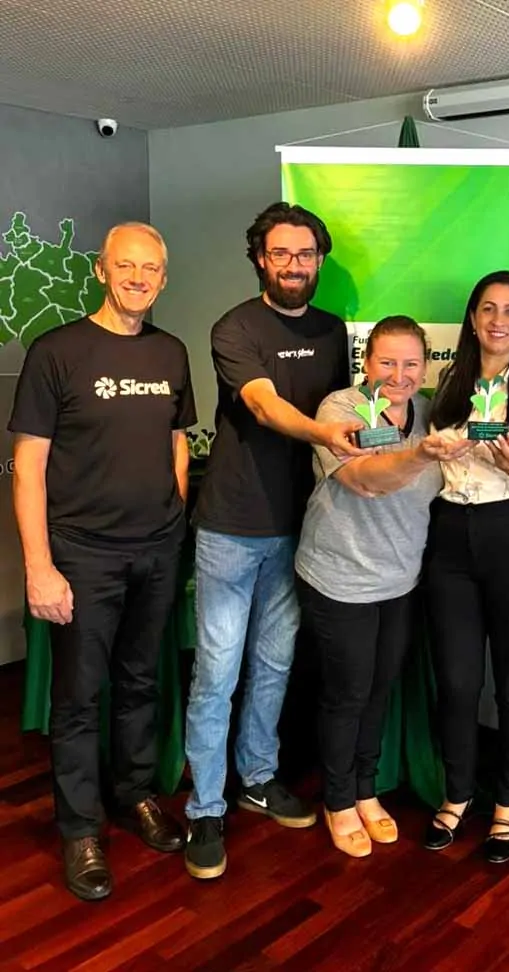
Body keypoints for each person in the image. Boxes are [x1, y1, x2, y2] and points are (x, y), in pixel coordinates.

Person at [9, 222, 195, 901]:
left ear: (163, 278)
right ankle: (80, 829)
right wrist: (39, 566)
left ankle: (134, 795)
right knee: (79, 699)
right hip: (83, 555)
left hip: (157, 550)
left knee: (141, 683)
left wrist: (172, 510)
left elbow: (178, 439)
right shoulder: (56, 351)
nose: (138, 278)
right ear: (101, 270)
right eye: (126, 266)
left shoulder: (171, 352)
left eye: (150, 268)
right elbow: (28, 466)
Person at [183, 202, 363, 881]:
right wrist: (323, 435)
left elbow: (346, 407)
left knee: (275, 664)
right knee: (217, 671)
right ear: (260, 259)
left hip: (303, 527)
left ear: (319, 260)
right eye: (280, 253)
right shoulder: (234, 328)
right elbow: (261, 403)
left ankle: (257, 779)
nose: (293, 265)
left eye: (305, 253)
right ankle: (205, 807)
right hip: (232, 527)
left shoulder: (331, 330)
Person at [295, 316, 472, 858]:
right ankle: (338, 800)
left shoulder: (431, 415)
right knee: (347, 693)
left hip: (399, 581)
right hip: (340, 578)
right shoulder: (340, 410)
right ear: (366, 362)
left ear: (426, 367)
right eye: (387, 362)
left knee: (379, 689)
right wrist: (421, 455)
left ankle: (366, 790)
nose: (399, 374)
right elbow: (365, 481)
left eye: (411, 363)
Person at [423, 270, 509, 864]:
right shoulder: (450, 381)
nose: (498, 320)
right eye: (488, 308)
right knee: (457, 680)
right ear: (473, 318)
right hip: (450, 535)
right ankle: (458, 793)